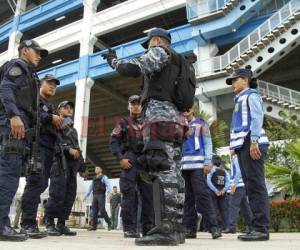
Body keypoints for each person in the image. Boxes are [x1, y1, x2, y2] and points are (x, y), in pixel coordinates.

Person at [102, 28, 191, 246]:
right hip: (176, 121)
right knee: (175, 174)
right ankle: (177, 228)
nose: (149, 48)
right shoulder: (181, 62)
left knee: (162, 171)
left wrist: (114, 62)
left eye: (149, 43)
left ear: (158, 40)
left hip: (161, 120)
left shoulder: (160, 51)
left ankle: (166, 229)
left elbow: (133, 68)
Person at [0, 39, 48, 241]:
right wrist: (14, 115)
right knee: (8, 175)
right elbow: (5, 88)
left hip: (18, 129)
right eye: (37, 52)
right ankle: (1, 226)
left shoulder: (28, 72)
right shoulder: (18, 65)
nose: (39, 56)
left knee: (8, 173)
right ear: (25, 50)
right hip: (12, 127)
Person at [226, 67, 270, 241]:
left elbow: (257, 118)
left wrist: (254, 141)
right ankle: (255, 226)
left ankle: (261, 229)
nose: (233, 84)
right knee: (251, 187)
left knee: (256, 186)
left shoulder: (251, 95)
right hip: (243, 145)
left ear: (245, 79)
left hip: (252, 143)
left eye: (235, 80)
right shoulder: (239, 98)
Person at [20, 74, 62, 238]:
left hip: (48, 149)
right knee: (35, 183)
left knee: (41, 184)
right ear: (40, 85)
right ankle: (28, 223)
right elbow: (31, 116)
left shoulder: (49, 106)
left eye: (55, 85)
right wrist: (50, 117)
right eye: (49, 84)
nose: (52, 87)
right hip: (37, 147)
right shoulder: (34, 100)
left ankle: (30, 222)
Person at [110, 95, 154, 238]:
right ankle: (129, 228)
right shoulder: (122, 122)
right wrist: (120, 158)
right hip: (130, 161)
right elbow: (113, 141)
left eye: (138, 104)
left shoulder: (148, 124)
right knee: (129, 196)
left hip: (145, 162)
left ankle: (148, 228)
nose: (136, 106)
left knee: (148, 196)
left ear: (142, 107)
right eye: (133, 103)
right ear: (128, 106)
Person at [44, 101, 86, 236]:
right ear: (59, 110)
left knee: (69, 196)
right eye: (65, 107)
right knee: (57, 194)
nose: (69, 110)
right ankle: (49, 222)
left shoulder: (73, 130)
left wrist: (83, 167)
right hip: (59, 164)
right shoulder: (55, 124)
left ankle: (61, 224)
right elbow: (53, 143)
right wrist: (68, 150)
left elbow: (78, 148)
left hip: (72, 168)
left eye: (70, 108)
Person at [181, 107, 222, 239]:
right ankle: (190, 229)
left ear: (192, 109)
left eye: (188, 107)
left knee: (202, 195)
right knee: (188, 198)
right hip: (183, 166)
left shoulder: (201, 123)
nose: (185, 110)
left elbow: (208, 142)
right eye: (183, 108)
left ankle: (214, 227)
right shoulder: (178, 124)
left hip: (198, 165)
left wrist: (207, 161)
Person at [223, 153, 253, 234]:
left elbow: (239, 172)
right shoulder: (238, 158)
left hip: (238, 185)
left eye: (231, 147)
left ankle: (231, 227)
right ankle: (251, 226)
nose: (230, 149)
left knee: (233, 206)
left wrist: (234, 185)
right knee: (245, 207)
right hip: (241, 185)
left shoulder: (236, 158)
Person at [84, 166, 112, 231]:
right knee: (94, 211)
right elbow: (90, 188)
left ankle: (109, 222)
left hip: (101, 195)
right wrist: (86, 196)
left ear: (101, 170)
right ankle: (94, 226)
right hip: (95, 195)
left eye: (97, 168)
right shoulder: (94, 178)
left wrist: (109, 193)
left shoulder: (104, 177)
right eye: (95, 169)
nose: (96, 169)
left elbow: (108, 185)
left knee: (102, 210)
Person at [207, 156, 230, 231]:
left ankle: (214, 227)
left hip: (213, 193)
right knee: (224, 210)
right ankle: (226, 226)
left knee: (213, 209)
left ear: (212, 163)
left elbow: (208, 181)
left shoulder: (211, 170)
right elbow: (228, 182)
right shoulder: (225, 171)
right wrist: (223, 190)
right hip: (223, 193)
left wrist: (215, 190)